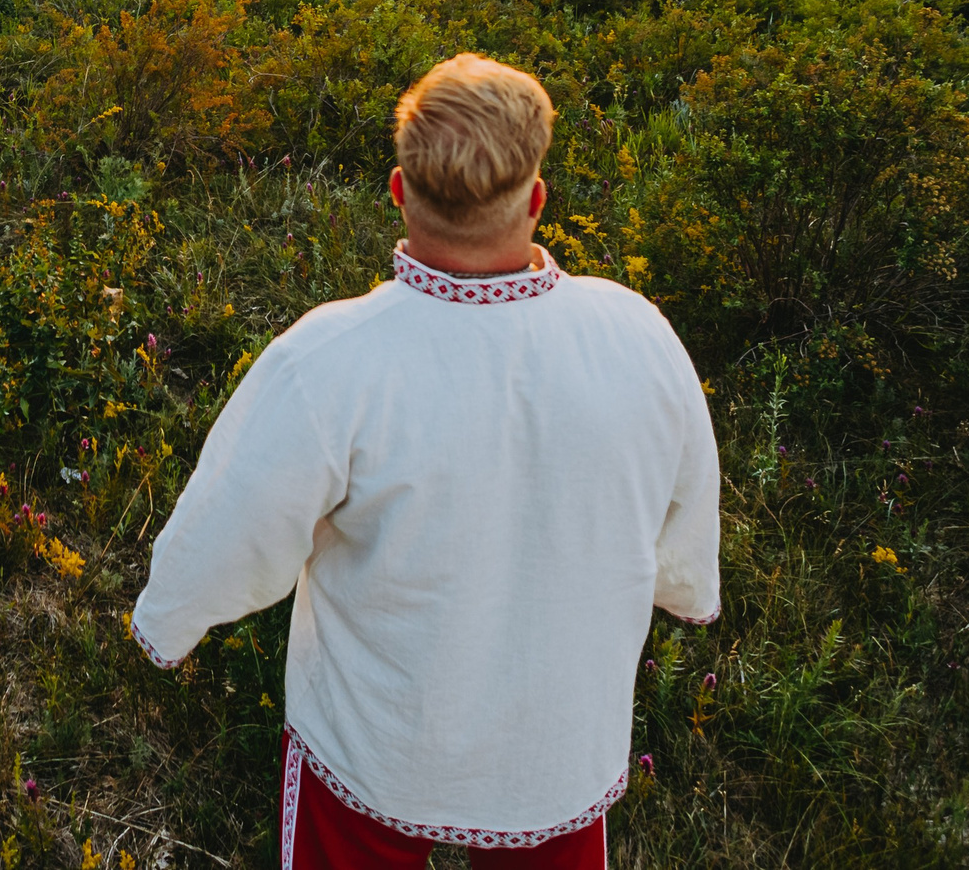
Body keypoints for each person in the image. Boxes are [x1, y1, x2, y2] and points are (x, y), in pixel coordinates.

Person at [129, 53, 721, 868]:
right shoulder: (638, 338)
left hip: (378, 745)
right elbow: (684, 512)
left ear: (399, 190)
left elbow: (233, 525)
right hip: (554, 751)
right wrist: (686, 587)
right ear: (537, 198)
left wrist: (169, 619)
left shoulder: (331, 360)